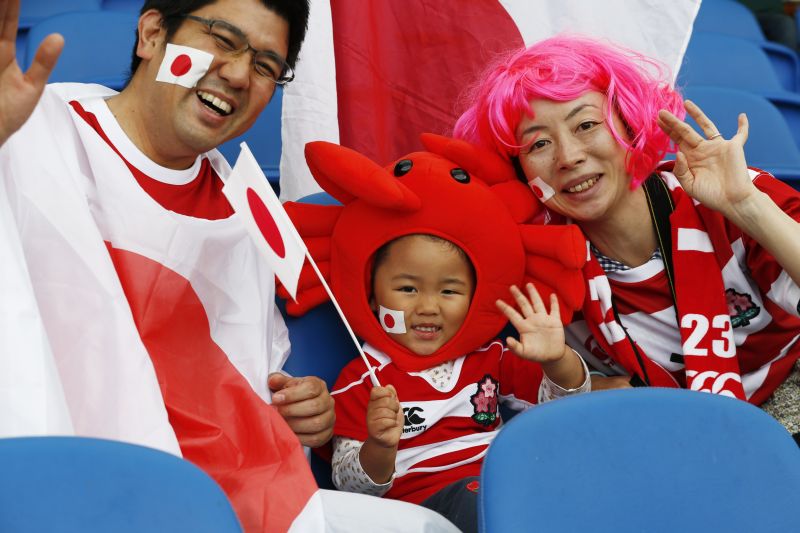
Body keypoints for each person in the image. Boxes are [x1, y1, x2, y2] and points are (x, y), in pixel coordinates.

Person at [0, 1, 461, 530]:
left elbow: (252, 379)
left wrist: (300, 408)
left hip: (225, 499)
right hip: (60, 486)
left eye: (266, 65)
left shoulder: (247, 211)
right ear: (152, 34)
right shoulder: (28, 128)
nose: (240, 74)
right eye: (221, 39)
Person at [454, 35, 800, 443]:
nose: (568, 157)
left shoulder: (737, 192)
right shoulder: (539, 272)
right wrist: (591, 389)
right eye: (538, 144)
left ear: (630, 125)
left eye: (586, 125)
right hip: (669, 438)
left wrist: (747, 206)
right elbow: (536, 393)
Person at [280, 135, 591, 532]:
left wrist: (556, 358)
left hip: (504, 487)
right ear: (372, 296)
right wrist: (380, 445)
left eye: (449, 291)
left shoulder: (490, 357)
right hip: (424, 512)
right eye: (408, 289)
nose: (428, 307)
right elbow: (350, 486)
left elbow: (560, 408)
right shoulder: (363, 382)